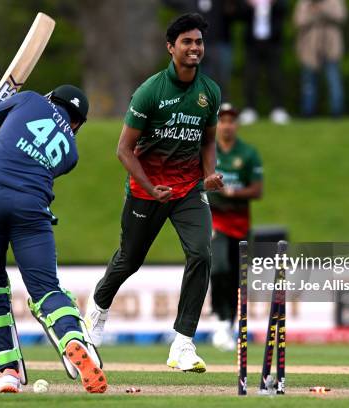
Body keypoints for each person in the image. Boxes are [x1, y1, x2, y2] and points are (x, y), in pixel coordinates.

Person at [83, 13, 223, 373]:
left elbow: (208, 140)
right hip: (147, 191)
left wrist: (209, 175)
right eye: (187, 42)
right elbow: (123, 150)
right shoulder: (150, 91)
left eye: (199, 42)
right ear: (170, 47)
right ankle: (97, 310)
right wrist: (149, 187)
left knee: (201, 253)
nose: (195, 48)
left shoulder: (209, 92)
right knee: (130, 260)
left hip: (189, 189)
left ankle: (182, 344)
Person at [0, 85, 107, 394]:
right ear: (77, 125)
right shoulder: (71, 153)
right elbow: (30, 161)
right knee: (46, 289)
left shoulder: (28, 99)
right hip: (32, 207)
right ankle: (73, 338)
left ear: (49, 98)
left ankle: (7, 371)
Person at [208, 102, 263, 351]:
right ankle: (220, 318)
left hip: (240, 223)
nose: (227, 125)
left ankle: (229, 322)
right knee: (218, 267)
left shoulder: (248, 154)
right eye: (222, 120)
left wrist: (233, 192)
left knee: (235, 277)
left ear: (236, 124)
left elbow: (257, 190)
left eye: (231, 120)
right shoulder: (208, 151)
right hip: (215, 220)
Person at [240, 0, 290, 125]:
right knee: (251, 76)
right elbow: (239, 14)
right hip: (252, 43)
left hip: (273, 42)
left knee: (275, 76)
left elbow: (284, 9)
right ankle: (249, 109)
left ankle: (278, 109)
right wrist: (249, 4)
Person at [294, 0, 347, 117]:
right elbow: (299, 21)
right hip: (309, 48)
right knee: (308, 82)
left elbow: (341, 16)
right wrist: (317, 15)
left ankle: (337, 111)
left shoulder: (335, 2)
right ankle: (308, 112)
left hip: (331, 47)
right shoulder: (304, 3)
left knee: (334, 80)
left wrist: (321, 10)